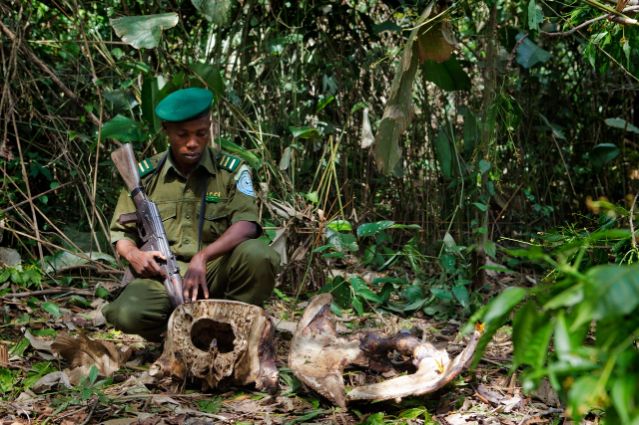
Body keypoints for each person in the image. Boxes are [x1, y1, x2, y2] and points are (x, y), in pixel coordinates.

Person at [103, 87, 280, 341]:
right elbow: (121, 234)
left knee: (259, 255)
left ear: (210, 127)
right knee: (124, 313)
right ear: (166, 130)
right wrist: (135, 255)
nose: (193, 143)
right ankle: (174, 335)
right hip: (162, 278)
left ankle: (231, 329)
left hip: (214, 273)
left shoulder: (230, 171)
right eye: (182, 135)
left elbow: (247, 225)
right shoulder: (144, 177)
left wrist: (203, 257)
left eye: (201, 133)